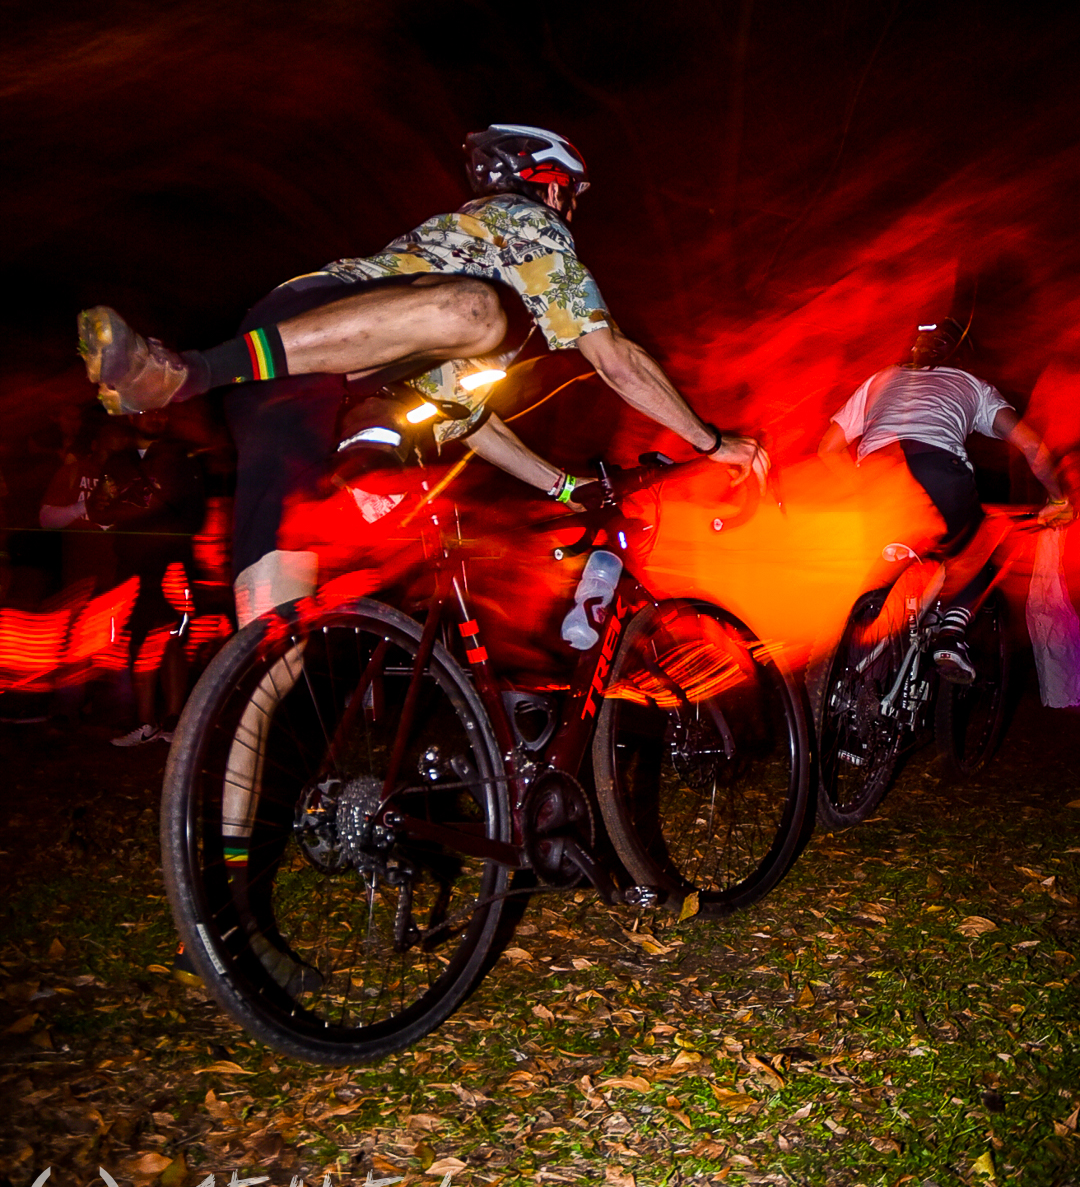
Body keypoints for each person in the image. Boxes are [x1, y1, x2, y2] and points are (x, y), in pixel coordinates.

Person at [78, 124, 770, 624]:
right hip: (312, 329)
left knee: (272, 639)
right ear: (549, 186)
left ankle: (220, 785)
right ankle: (188, 373)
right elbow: (614, 357)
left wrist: (565, 487)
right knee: (476, 313)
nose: (571, 211)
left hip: (295, 387)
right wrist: (713, 442)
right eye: (571, 195)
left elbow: (468, 420)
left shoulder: (467, 277)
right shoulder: (524, 224)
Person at [818, 317, 1072, 682]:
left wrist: (862, 487)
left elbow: (828, 449)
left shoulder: (882, 378)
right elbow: (1032, 446)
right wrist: (1058, 499)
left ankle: (845, 652)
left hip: (876, 472)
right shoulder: (974, 386)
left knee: (880, 560)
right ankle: (951, 633)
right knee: (982, 540)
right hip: (937, 468)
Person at [87, 409, 205, 744]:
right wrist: (102, 503)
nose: (155, 417)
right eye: (146, 411)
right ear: (131, 416)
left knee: (172, 636)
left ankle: (175, 720)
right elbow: (99, 512)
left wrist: (133, 512)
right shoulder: (119, 462)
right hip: (132, 562)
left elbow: (190, 514)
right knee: (138, 638)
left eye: (161, 411)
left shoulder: (181, 458)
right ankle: (144, 722)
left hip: (172, 561)